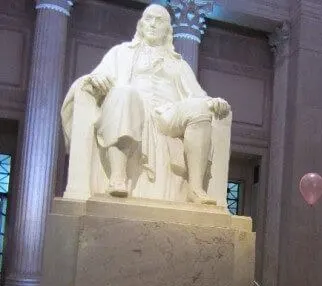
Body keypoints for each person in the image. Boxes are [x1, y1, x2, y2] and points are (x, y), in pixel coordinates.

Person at [61, 4, 231, 204]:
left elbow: (197, 95)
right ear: (141, 25)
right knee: (124, 93)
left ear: (168, 30)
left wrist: (212, 102)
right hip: (134, 107)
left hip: (168, 113)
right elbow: (100, 75)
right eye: (149, 19)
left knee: (201, 110)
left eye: (159, 20)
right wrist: (94, 79)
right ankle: (117, 178)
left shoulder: (179, 64)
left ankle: (195, 189)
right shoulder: (122, 53)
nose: (152, 23)